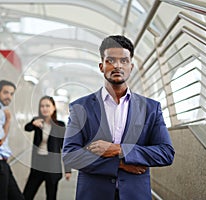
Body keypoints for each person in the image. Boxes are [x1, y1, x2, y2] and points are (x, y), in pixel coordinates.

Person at [62, 35, 175, 200]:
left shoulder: (151, 108)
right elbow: (70, 155)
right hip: (93, 194)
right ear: (101, 66)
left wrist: (119, 149)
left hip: (135, 194)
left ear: (131, 66)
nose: (117, 66)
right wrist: (120, 164)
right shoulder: (80, 107)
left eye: (123, 61)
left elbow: (165, 153)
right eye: (110, 61)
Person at [23, 96, 71, 200]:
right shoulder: (37, 121)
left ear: (53, 108)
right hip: (38, 165)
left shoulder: (60, 125)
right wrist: (33, 124)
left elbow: (65, 148)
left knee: (51, 197)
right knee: (27, 195)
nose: (44, 108)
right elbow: (27, 128)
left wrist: (68, 169)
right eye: (42, 106)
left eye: (47, 106)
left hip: (52, 166)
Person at [0, 80, 24, 200]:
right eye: (5, 92)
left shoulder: (1, 110)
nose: (8, 96)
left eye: (11, 94)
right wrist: (8, 121)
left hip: (3, 164)